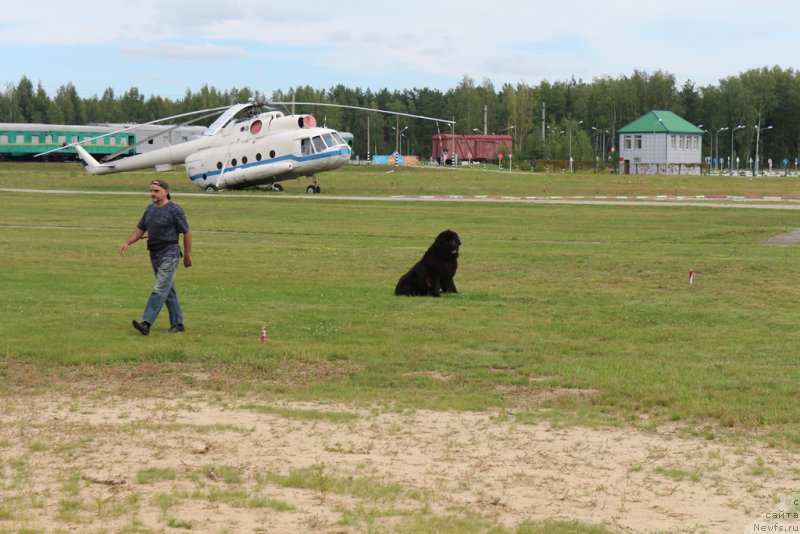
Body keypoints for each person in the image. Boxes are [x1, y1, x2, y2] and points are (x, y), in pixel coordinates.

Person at [120, 179, 192, 336]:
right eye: (151, 190)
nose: (152, 193)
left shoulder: (175, 210)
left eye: (156, 191)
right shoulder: (150, 210)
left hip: (170, 254)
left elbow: (186, 232)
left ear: (166, 191)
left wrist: (187, 256)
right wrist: (128, 242)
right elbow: (140, 230)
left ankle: (146, 323)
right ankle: (178, 324)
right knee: (168, 290)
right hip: (154, 254)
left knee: (159, 289)